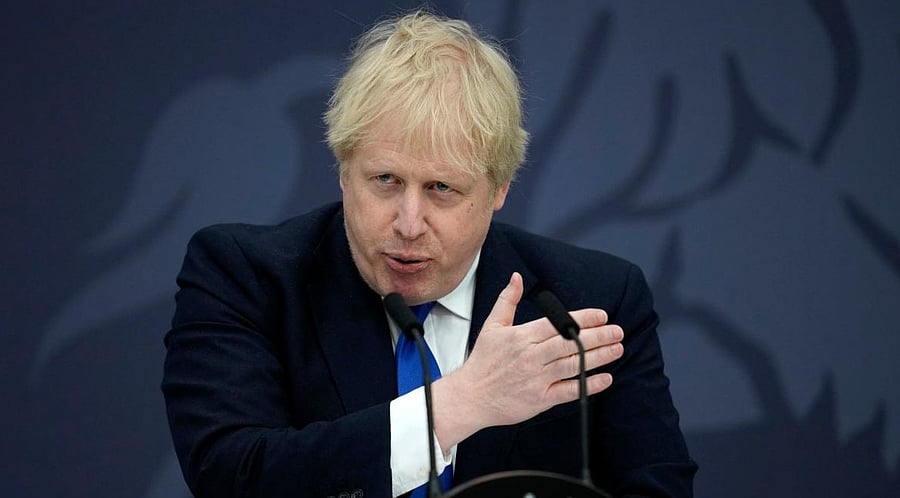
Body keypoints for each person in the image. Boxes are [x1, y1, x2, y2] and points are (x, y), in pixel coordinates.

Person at [162, 10, 697, 498]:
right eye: (385, 180)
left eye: (442, 188)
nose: (409, 224)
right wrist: (461, 404)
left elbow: (658, 489)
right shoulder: (244, 276)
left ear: (499, 188)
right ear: (344, 168)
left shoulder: (590, 303)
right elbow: (230, 474)